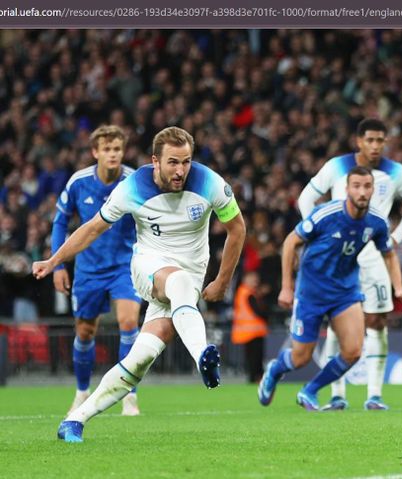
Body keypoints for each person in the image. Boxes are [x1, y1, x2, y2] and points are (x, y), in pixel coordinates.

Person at [33, 127, 246, 442]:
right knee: (179, 281)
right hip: (148, 265)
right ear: (155, 161)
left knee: (141, 356)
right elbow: (91, 229)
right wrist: (54, 261)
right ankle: (203, 354)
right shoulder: (131, 187)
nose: (180, 170)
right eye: (173, 162)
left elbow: (237, 229)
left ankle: (75, 420)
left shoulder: (211, 183)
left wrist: (222, 281)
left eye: (186, 162)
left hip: (188, 282)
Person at [259, 166, 402, 411]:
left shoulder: (376, 222)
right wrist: (286, 287)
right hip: (311, 292)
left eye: (367, 186)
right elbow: (290, 242)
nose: (362, 192)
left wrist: (399, 288)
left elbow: (389, 253)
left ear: (373, 189)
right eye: (357, 186)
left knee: (353, 351)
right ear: (346, 189)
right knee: (301, 357)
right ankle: (275, 369)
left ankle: (310, 390)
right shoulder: (326, 215)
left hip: (345, 291)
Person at [297, 118, 402, 411]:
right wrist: (316, 234)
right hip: (340, 261)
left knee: (378, 322)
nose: (375, 146)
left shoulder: (396, 173)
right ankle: (337, 394)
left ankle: (374, 395)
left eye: (380, 140)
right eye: (370, 140)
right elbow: (307, 198)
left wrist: (396, 236)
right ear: (358, 141)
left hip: (376, 258)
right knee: (336, 325)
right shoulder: (336, 168)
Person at [51, 125, 142, 416]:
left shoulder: (134, 181)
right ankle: (82, 391)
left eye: (117, 149)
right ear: (95, 152)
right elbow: (59, 223)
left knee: (128, 322)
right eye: (107, 149)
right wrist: (58, 265)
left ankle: (129, 395)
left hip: (124, 266)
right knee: (85, 332)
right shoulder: (79, 182)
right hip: (88, 269)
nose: (113, 154)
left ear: (122, 151)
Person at [231, 271, 268, 383]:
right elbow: (258, 311)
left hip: (249, 332)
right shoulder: (248, 293)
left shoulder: (243, 292)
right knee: (255, 358)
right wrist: (267, 315)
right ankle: (255, 378)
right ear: (245, 280)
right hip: (253, 332)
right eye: (253, 279)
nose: (255, 282)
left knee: (252, 358)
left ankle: (254, 378)